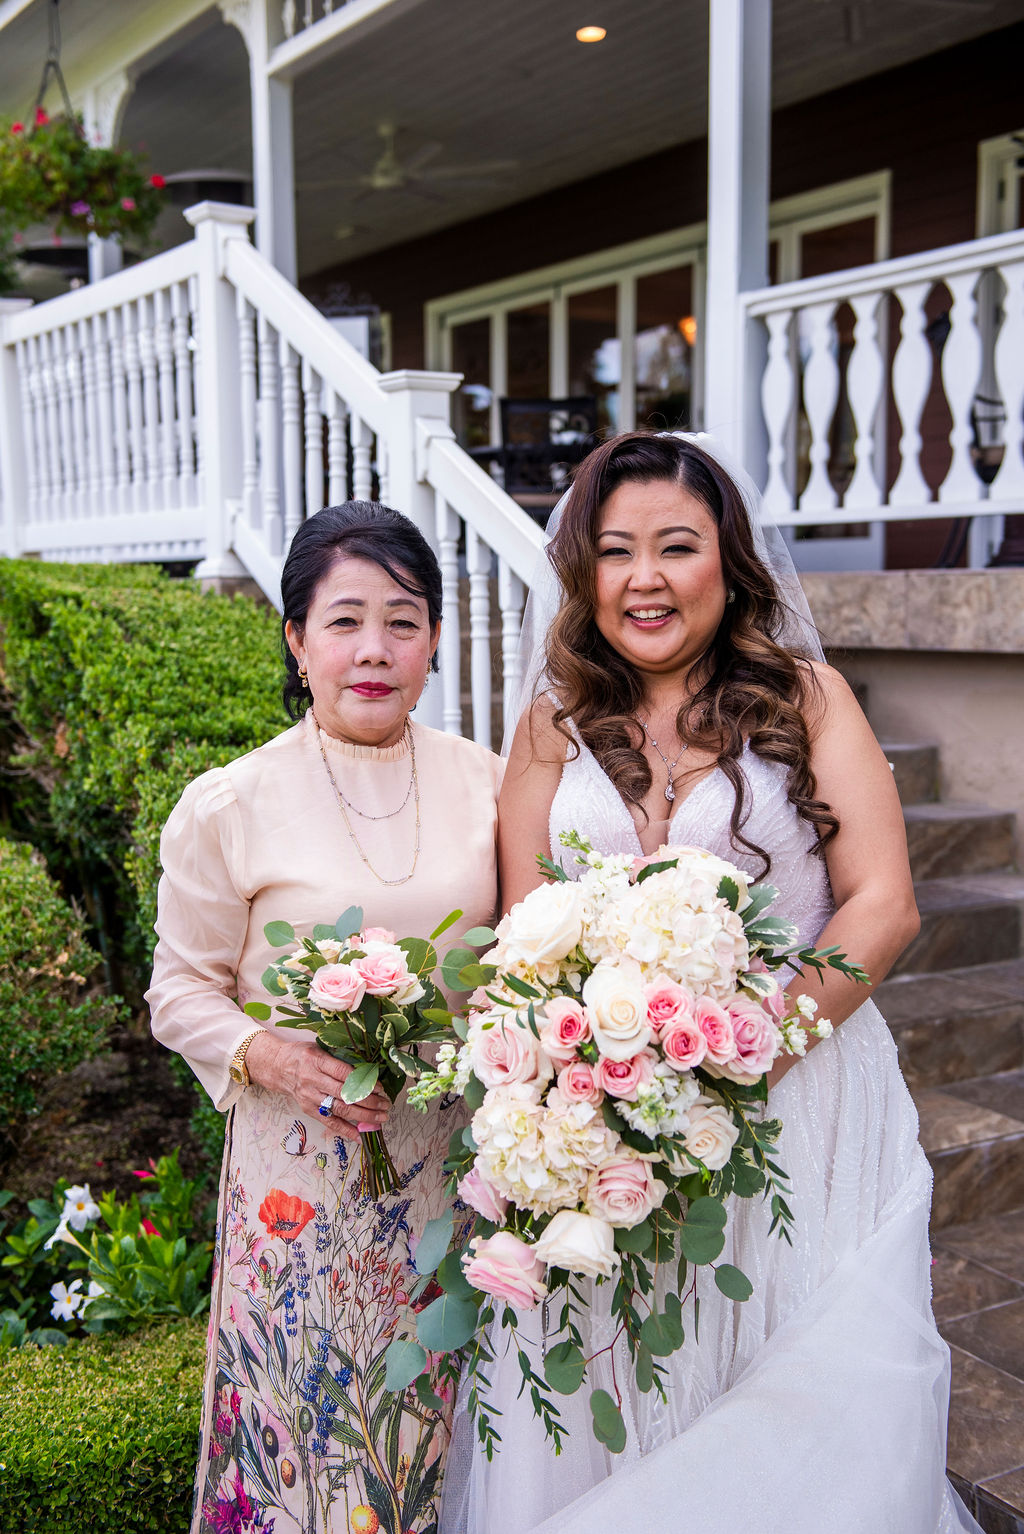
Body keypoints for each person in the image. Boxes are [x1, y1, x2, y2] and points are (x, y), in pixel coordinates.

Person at [441, 432, 980, 1534]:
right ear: (584, 571)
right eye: (615, 550)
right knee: (620, 1389)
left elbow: (883, 903)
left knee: (790, 1393)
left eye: (676, 546)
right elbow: (520, 935)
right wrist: (562, 1090)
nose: (644, 578)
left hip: (798, 1103)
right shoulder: (549, 723)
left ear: (729, 563)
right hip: (607, 1125)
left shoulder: (808, 698)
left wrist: (737, 1060)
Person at [147, 501, 503, 1534]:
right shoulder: (230, 802)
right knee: (307, 1435)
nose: (374, 649)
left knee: (437, 1437)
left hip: (450, 1172)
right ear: (297, 640)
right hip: (298, 1184)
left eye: (402, 620)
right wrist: (275, 1058)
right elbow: (178, 990)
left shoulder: (488, 783)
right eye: (344, 621)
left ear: (434, 639)